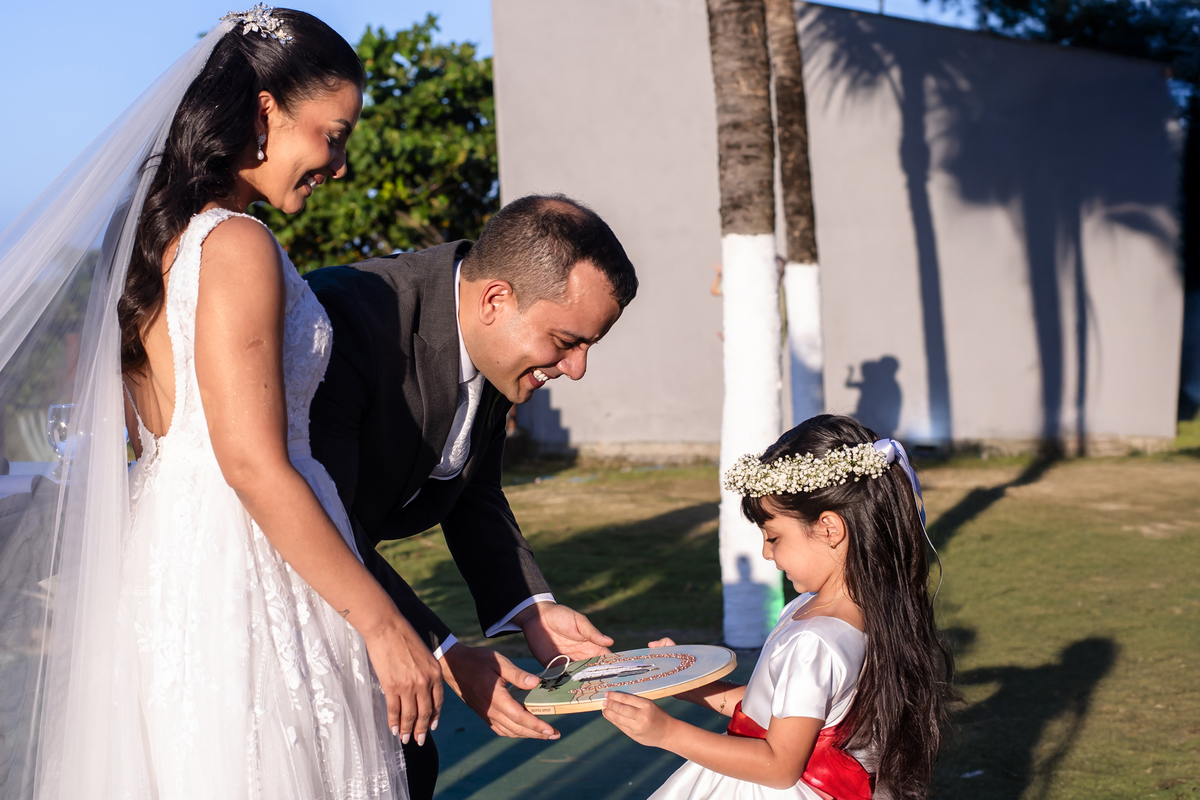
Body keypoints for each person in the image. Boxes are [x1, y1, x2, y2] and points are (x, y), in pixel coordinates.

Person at [0, 7, 422, 799]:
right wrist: (381, 621)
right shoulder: (236, 244)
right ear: (266, 112)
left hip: (172, 556)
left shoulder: (150, 243)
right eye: (333, 134)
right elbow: (252, 464)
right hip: (248, 562)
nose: (339, 163)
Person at [304, 193, 638, 798]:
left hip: (351, 589)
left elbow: (472, 489)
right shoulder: (349, 318)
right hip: (288, 582)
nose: (577, 368)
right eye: (566, 340)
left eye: (589, 345)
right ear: (496, 300)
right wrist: (446, 650)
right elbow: (325, 517)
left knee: (407, 765)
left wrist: (532, 608)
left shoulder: (493, 345)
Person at [602, 415, 954, 800]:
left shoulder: (814, 640)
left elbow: (779, 765)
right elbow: (778, 710)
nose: (766, 553)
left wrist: (666, 733)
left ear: (829, 529)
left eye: (773, 537)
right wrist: (690, 687)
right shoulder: (847, 613)